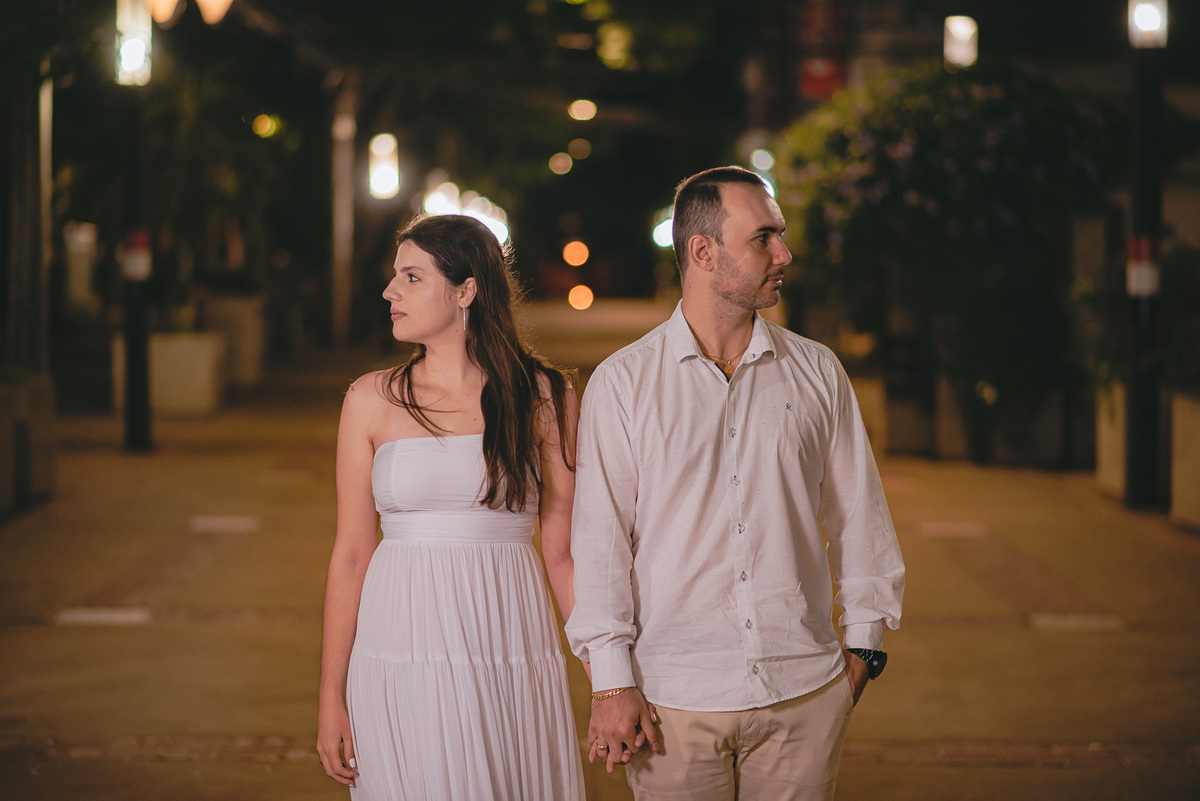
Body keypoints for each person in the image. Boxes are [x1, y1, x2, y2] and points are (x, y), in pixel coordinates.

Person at [566, 166, 905, 801]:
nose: (785, 254)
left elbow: (860, 514)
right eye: (764, 238)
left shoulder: (818, 371)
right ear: (703, 251)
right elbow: (601, 544)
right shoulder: (623, 384)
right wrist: (611, 682)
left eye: (781, 236)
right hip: (673, 700)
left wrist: (863, 650)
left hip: (803, 693)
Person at [317, 214, 585, 800]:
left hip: (506, 637)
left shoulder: (543, 396)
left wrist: (610, 680)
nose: (390, 291)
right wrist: (330, 695)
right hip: (398, 646)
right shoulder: (370, 398)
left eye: (412, 277)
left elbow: (564, 556)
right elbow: (352, 554)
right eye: (395, 276)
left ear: (466, 291)